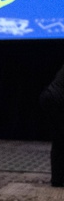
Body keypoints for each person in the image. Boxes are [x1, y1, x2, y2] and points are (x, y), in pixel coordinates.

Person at [39, 59, 64, 187]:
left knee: (59, 140)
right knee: (60, 140)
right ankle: (58, 179)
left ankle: (57, 179)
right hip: (56, 101)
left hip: (49, 98)